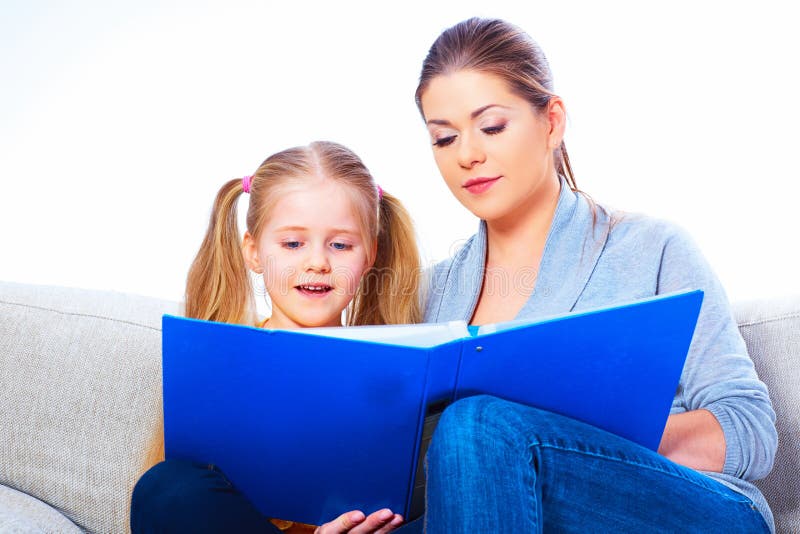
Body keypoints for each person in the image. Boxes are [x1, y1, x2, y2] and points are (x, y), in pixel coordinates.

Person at [414, 17, 777, 533]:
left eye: (491, 126)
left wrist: (574, 437)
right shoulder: (431, 294)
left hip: (689, 510)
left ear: (553, 121)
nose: (468, 155)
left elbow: (751, 430)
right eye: (444, 139)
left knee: (478, 427)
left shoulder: (651, 247)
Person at [130, 141, 421, 533]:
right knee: (167, 490)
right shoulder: (220, 363)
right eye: (292, 244)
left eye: (340, 245)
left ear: (369, 255)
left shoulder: (397, 367)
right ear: (253, 252)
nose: (317, 262)